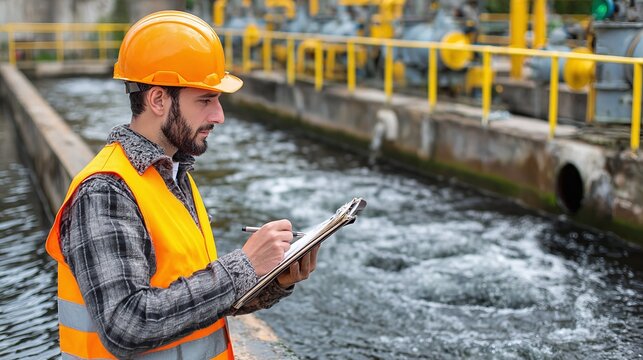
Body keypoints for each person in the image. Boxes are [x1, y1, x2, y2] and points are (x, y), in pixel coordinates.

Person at [45, 10, 319, 359]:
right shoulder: (105, 191)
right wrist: (244, 265)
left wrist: (274, 278)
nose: (219, 115)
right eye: (205, 100)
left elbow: (195, 301)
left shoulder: (173, 174)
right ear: (158, 100)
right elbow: (128, 325)